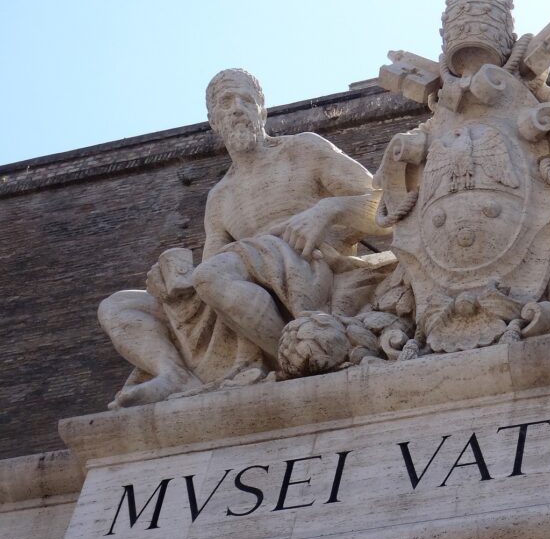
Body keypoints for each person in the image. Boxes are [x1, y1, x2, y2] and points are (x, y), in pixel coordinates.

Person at [99, 69, 388, 407]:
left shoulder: (303, 150)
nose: (237, 108)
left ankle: (298, 356)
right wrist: (170, 284)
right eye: (226, 102)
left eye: (247, 100)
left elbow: (388, 208)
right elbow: (208, 273)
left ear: (262, 110)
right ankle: (175, 373)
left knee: (214, 275)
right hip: (241, 288)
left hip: (308, 273)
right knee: (119, 307)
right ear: (213, 121)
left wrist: (328, 210)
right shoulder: (219, 197)